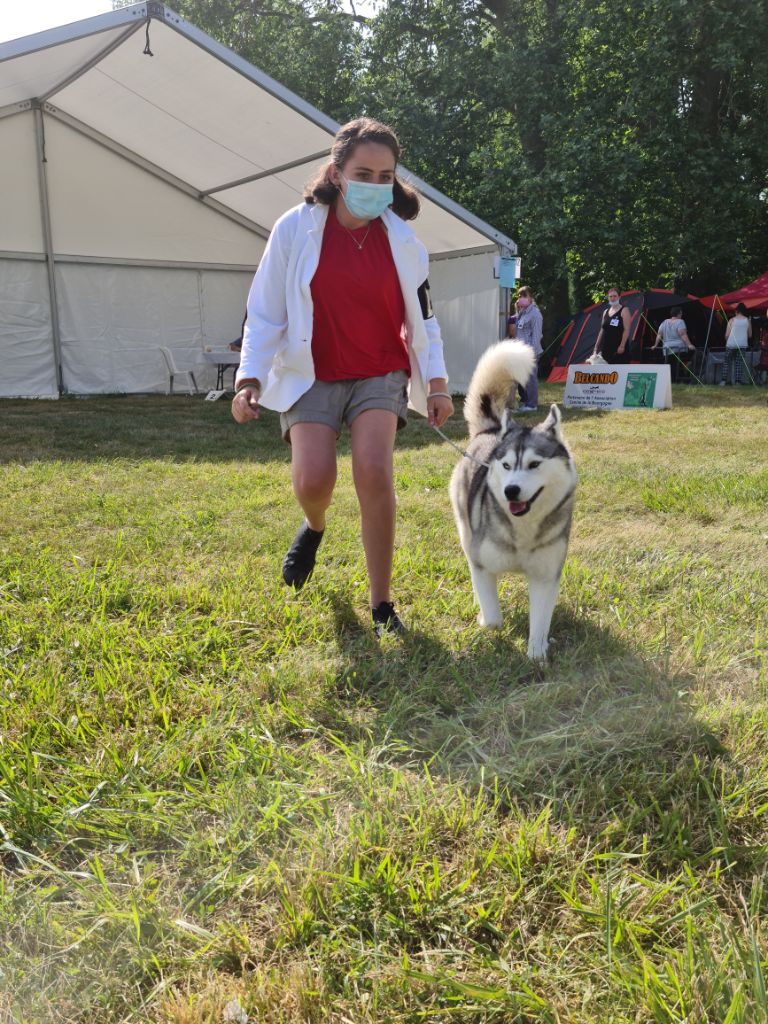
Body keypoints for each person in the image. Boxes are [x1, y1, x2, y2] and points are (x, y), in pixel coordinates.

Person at [230, 118, 453, 637]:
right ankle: (314, 526)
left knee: (373, 471)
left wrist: (437, 383)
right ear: (336, 171)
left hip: (380, 370)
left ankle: (381, 606)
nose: (375, 186)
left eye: (386, 176)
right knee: (314, 482)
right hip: (312, 374)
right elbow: (264, 312)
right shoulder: (294, 228)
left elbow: (424, 319)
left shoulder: (404, 243)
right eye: (363, 173)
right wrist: (249, 379)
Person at [513, 286, 543, 412]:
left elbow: (536, 336)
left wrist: (532, 353)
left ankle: (532, 405)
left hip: (531, 351)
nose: (521, 299)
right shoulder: (522, 312)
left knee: (531, 379)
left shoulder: (535, 314)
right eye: (520, 296)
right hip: (521, 351)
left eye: (524, 296)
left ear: (531, 298)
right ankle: (526, 402)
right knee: (524, 378)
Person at [652, 306, 696, 381]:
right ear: (679, 313)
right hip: (679, 348)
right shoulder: (680, 322)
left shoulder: (664, 322)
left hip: (667, 349)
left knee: (671, 364)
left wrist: (655, 345)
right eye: (681, 313)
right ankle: (684, 376)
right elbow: (683, 334)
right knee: (693, 353)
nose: (681, 314)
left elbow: (659, 334)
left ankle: (672, 380)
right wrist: (689, 344)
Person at [592, 287, 632, 363]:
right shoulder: (605, 312)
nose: (613, 298)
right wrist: (596, 347)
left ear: (619, 297)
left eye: (615, 296)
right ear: (608, 298)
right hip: (606, 349)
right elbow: (602, 330)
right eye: (610, 296)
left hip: (619, 349)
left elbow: (627, 329)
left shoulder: (624, 310)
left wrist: (622, 346)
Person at [722, 302, 753, 385]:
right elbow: (750, 335)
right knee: (739, 363)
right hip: (742, 344)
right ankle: (737, 382)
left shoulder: (731, 320)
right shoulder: (747, 320)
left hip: (731, 344)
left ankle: (723, 381)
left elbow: (727, 335)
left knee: (726, 362)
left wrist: (726, 341)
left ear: (736, 311)